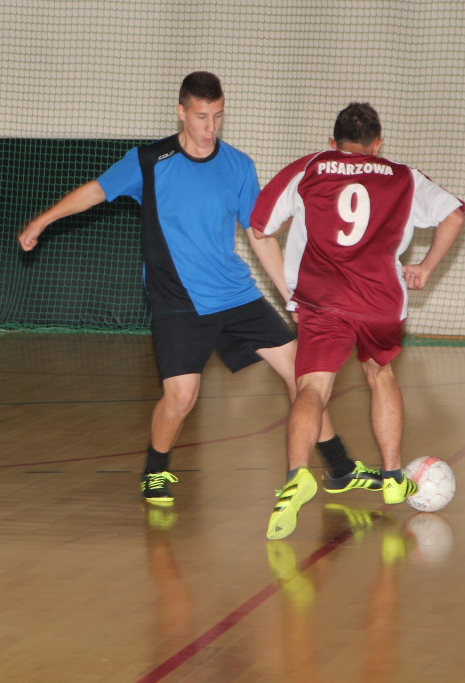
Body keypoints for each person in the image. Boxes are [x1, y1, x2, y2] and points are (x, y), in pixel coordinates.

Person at [19, 72, 379, 507]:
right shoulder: (150, 161)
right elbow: (96, 192)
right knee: (182, 397)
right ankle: (155, 469)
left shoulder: (239, 166)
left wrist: (291, 296)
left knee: (300, 373)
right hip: (179, 301)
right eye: (202, 116)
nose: (211, 127)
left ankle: (340, 468)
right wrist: (43, 221)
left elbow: (259, 235)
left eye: (218, 116)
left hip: (236, 295)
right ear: (182, 113)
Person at [251, 102, 465, 539]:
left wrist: (287, 290)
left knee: (312, 388)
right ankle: (392, 477)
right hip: (380, 302)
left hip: (322, 301)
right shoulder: (403, 176)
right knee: (380, 374)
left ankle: (297, 475)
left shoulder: (309, 167)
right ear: (378, 143)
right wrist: (426, 267)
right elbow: (455, 214)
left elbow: (259, 227)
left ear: (333, 142)